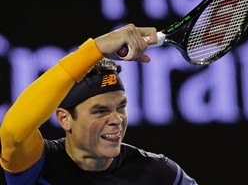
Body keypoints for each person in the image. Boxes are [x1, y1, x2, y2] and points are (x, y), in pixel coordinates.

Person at [0, 24, 198, 184]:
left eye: (121, 107)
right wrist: (95, 50)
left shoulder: (160, 174)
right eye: (100, 111)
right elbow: (13, 132)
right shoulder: (38, 168)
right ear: (65, 119)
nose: (116, 119)